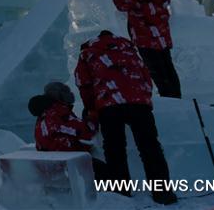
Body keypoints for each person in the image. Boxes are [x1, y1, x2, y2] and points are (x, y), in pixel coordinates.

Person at [75, 30, 177, 205]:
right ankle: (163, 193)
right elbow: (146, 76)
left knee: (115, 149)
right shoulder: (129, 49)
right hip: (138, 103)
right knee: (150, 147)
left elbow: (83, 83)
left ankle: (121, 193)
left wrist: (91, 108)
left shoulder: (88, 53)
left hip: (109, 104)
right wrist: (144, 97)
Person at [110, 0, 182, 98]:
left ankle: (169, 100)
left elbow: (122, 4)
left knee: (158, 74)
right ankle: (177, 97)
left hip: (146, 41)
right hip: (162, 40)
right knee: (169, 71)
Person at [28, 82, 106, 180]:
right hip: (65, 162)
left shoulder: (44, 114)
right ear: (60, 95)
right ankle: (114, 193)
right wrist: (92, 119)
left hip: (51, 162)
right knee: (106, 172)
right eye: (65, 92)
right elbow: (85, 132)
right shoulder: (59, 112)